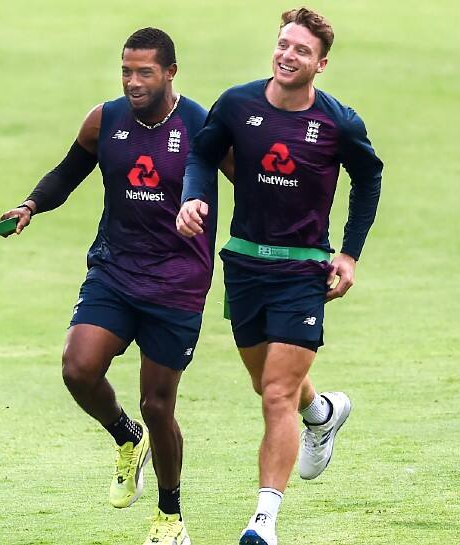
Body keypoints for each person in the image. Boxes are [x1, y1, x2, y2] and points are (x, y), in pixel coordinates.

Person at [1, 28, 231, 545]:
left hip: (178, 283)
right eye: (126, 71)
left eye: (144, 72)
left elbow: (253, 190)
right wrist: (31, 205)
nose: (132, 81)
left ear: (171, 72)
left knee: (158, 405)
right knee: (78, 369)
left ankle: (169, 514)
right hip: (115, 269)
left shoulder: (202, 127)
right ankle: (127, 439)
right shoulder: (104, 120)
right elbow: (68, 172)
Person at [176, 8, 383, 545]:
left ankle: (263, 521)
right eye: (283, 44)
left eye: (302, 51)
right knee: (269, 383)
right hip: (244, 262)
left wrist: (350, 254)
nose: (288, 55)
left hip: (303, 269)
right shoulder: (237, 102)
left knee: (274, 393)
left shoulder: (339, 122)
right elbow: (202, 154)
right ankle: (322, 413)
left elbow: (369, 178)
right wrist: (194, 195)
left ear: (321, 65)